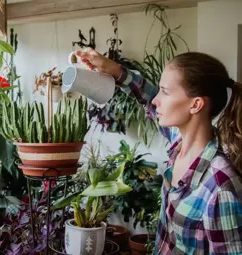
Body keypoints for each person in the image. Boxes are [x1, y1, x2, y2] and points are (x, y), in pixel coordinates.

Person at [75, 48, 242, 254]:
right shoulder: (177, 140)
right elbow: (147, 96)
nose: (156, 100)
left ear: (196, 104)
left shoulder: (220, 188)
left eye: (165, 91)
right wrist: (114, 70)